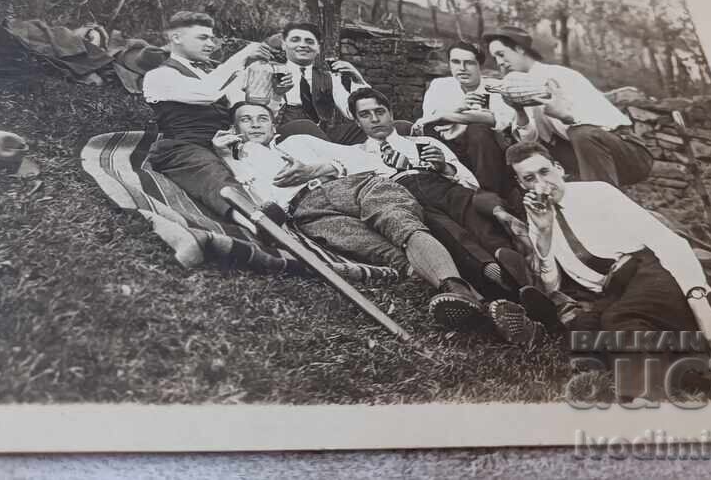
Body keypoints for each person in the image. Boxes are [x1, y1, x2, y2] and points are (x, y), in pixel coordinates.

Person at [503, 141, 711, 399]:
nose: (540, 183)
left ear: (558, 168)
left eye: (544, 172)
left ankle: (646, 401)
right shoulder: (537, 217)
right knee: (587, 337)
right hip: (615, 291)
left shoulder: (597, 193)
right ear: (523, 185)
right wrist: (543, 233)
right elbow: (552, 286)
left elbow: (667, 242)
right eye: (529, 178)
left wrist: (700, 304)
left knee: (620, 322)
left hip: (649, 269)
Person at [213, 101, 491, 330]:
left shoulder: (299, 142)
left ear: (274, 126)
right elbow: (254, 205)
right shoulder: (237, 166)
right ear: (234, 129)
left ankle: (456, 288)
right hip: (309, 211)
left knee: (398, 222)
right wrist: (226, 155)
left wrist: (320, 169)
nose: (255, 124)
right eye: (246, 120)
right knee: (381, 251)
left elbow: (367, 160)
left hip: (355, 186)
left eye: (262, 118)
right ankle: (476, 304)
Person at [348, 87, 533, 306]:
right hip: (405, 196)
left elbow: (470, 182)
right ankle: (502, 278)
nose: (375, 119)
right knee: (444, 229)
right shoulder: (355, 156)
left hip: (442, 185)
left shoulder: (426, 143)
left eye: (380, 111)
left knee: (473, 212)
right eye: (365, 114)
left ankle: (513, 266)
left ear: (391, 114)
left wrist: (444, 167)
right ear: (357, 122)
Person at [141, 11, 273, 219]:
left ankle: (283, 209)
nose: (211, 44)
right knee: (214, 176)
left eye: (212, 38)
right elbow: (206, 93)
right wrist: (243, 55)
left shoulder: (212, 72)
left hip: (224, 145)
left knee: (268, 164)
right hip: (183, 147)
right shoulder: (159, 75)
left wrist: (275, 92)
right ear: (176, 38)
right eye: (202, 38)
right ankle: (258, 223)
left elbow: (242, 104)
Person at [485, 26, 652, 187]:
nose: (499, 62)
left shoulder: (562, 75)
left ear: (519, 49)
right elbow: (530, 142)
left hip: (629, 154)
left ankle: (603, 204)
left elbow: (596, 128)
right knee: (538, 153)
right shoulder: (519, 86)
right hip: (585, 159)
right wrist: (519, 111)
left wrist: (564, 116)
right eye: (495, 58)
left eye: (501, 54)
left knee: (580, 133)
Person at [414, 41, 520, 203]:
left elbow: (498, 121)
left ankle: (490, 197)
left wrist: (446, 116)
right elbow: (431, 121)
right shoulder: (440, 86)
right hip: (451, 149)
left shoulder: (495, 87)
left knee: (478, 130)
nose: (462, 68)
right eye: (455, 62)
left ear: (479, 65)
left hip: (487, 154)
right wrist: (460, 108)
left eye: (469, 63)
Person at [272, 21, 368, 145]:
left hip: (322, 135)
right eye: (295, 40)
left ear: (318, 48)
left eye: (309, 41)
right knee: (304, 126)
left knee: (374, 126)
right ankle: (339, 157)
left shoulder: (329, 78)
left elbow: (351, 112)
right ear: (284, 45)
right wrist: (276, 95)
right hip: (283, 135)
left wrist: (358, 81)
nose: (302, 45)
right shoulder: (271, 72)